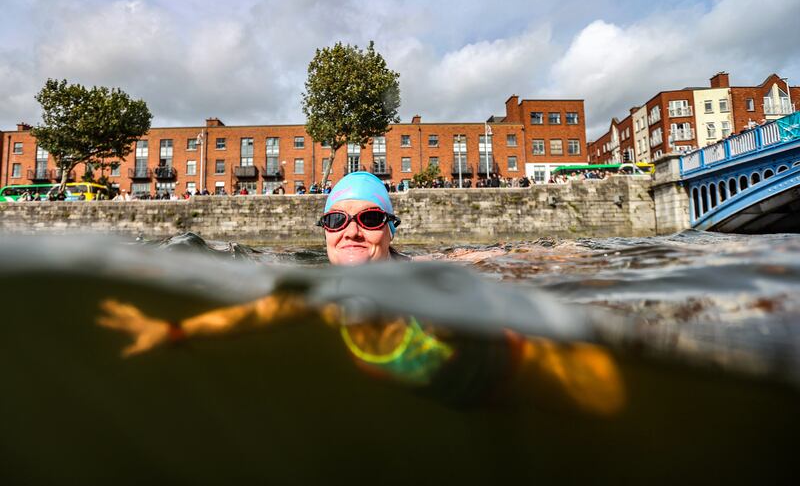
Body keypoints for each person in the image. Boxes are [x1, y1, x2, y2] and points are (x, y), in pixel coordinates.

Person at [98, 172, 624, 414]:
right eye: (336, 219)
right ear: (323, 230)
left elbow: (508, 274)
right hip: (461, 403)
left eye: (370, 218)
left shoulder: (432, 282)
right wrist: (170, 329)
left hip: (512, 382)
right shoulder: (321, 295)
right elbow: (246, 318)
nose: (351, 231)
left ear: (390, 229)